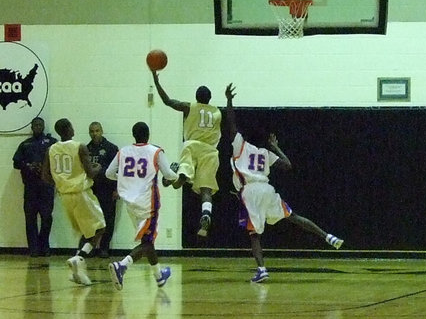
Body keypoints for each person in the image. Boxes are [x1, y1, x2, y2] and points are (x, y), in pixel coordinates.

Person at [223, 84, 343, 282]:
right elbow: (288, 165)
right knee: (292, 216)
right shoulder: (265, 153)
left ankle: (262, 270)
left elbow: (231, 123)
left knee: (254, 234)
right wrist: (276, 146)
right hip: (267, 189)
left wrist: (228, 100)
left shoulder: (240, 146)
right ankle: (327, 236)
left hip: (250, 191)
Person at [106, 121, 178, 291]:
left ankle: (159, 276)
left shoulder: (122, 151)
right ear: (148, 135)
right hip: (148, 203)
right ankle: (122, 266)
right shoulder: (156, 151)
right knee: (147, 240)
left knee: (148, 240)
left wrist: (125, 179)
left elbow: (109, 174)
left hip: (130, 203)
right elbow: (169, 174)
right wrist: (179, 172)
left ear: (134, 135)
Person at [151, 70, 223, 237]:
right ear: (209, 99)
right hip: (211, 151)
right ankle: (206, 214)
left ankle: (179, 176)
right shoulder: (217, 112)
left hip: (192, 146)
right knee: (206, 189)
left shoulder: (189, 107)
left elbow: (167, 101)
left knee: (181, 178)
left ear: (196, 98)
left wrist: (156, 81)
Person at [44, 118, 105, 286]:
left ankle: (77, 273)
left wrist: (62, 182)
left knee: (83, 233)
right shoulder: (80, 147)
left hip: (64, 196)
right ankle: (80, 258)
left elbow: (45, 176)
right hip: (81, 193)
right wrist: (98, 167)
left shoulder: (51, 149)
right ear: (70, 128)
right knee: (100, 228)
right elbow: (91, 173)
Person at [12, 116, 56, 257]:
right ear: (31, 127)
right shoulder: (25, 144)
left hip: (46, 186)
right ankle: (34, 248)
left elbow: (59, 161)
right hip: (30, 187)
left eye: (40, 125)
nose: (38, 127)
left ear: (43, 126)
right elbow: (16, 163)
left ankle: (44, 246)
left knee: (47, 217)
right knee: (30, 218)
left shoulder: (52, 143)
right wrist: (28, 166)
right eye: (35, 125)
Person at [84, 121, 119, 257]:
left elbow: (118, 170)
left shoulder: (111, 148)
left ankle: (104, 248)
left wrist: (117, 189)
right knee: (92, 220)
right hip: (92, 190)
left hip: (108, 189)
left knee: (108, 220)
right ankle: (91, 247)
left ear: (102, 131)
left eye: (97, 131)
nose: (94, 134)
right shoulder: (86, 149)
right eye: (92, 131)